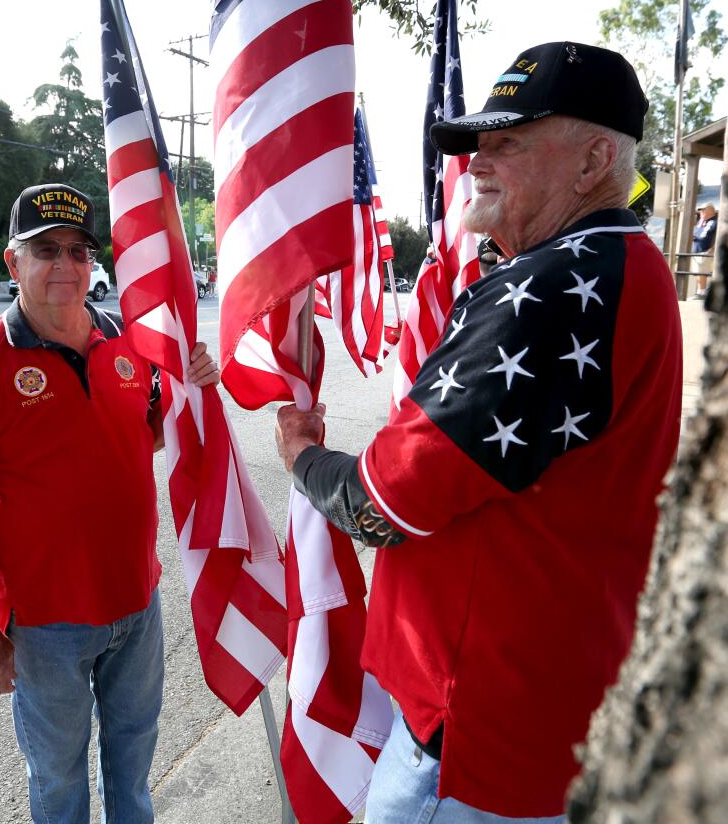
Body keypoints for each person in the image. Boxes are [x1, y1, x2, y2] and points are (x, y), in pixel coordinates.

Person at [276, 42, 682, 823]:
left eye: (509, 142)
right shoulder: (622, 261)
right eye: (476, 145)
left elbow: (377, 507)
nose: (477, 163)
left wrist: (302, 457)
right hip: (547, 700)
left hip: (473, 738)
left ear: (595, 158)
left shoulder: (556, 283)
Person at [0, 183, 219, 823]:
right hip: (45, 627)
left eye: (79, 251)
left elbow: (152, 438)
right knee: (59, 785)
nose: (66, 265)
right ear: (13, 263)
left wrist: (189, 381)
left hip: (138, 606)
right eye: (46, 251)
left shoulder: (133, 346)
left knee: (133, 772)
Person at [692, 202, 718, 298]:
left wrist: (713, 248)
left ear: (710, 210)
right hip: (698, 249)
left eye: (703, 210)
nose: (701, 212)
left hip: (706, 250)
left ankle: (702, 292)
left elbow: (718, 235)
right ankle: (700, 291)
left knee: (702, 271)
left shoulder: (715, 222)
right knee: (698, 271)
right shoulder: (703, 222)